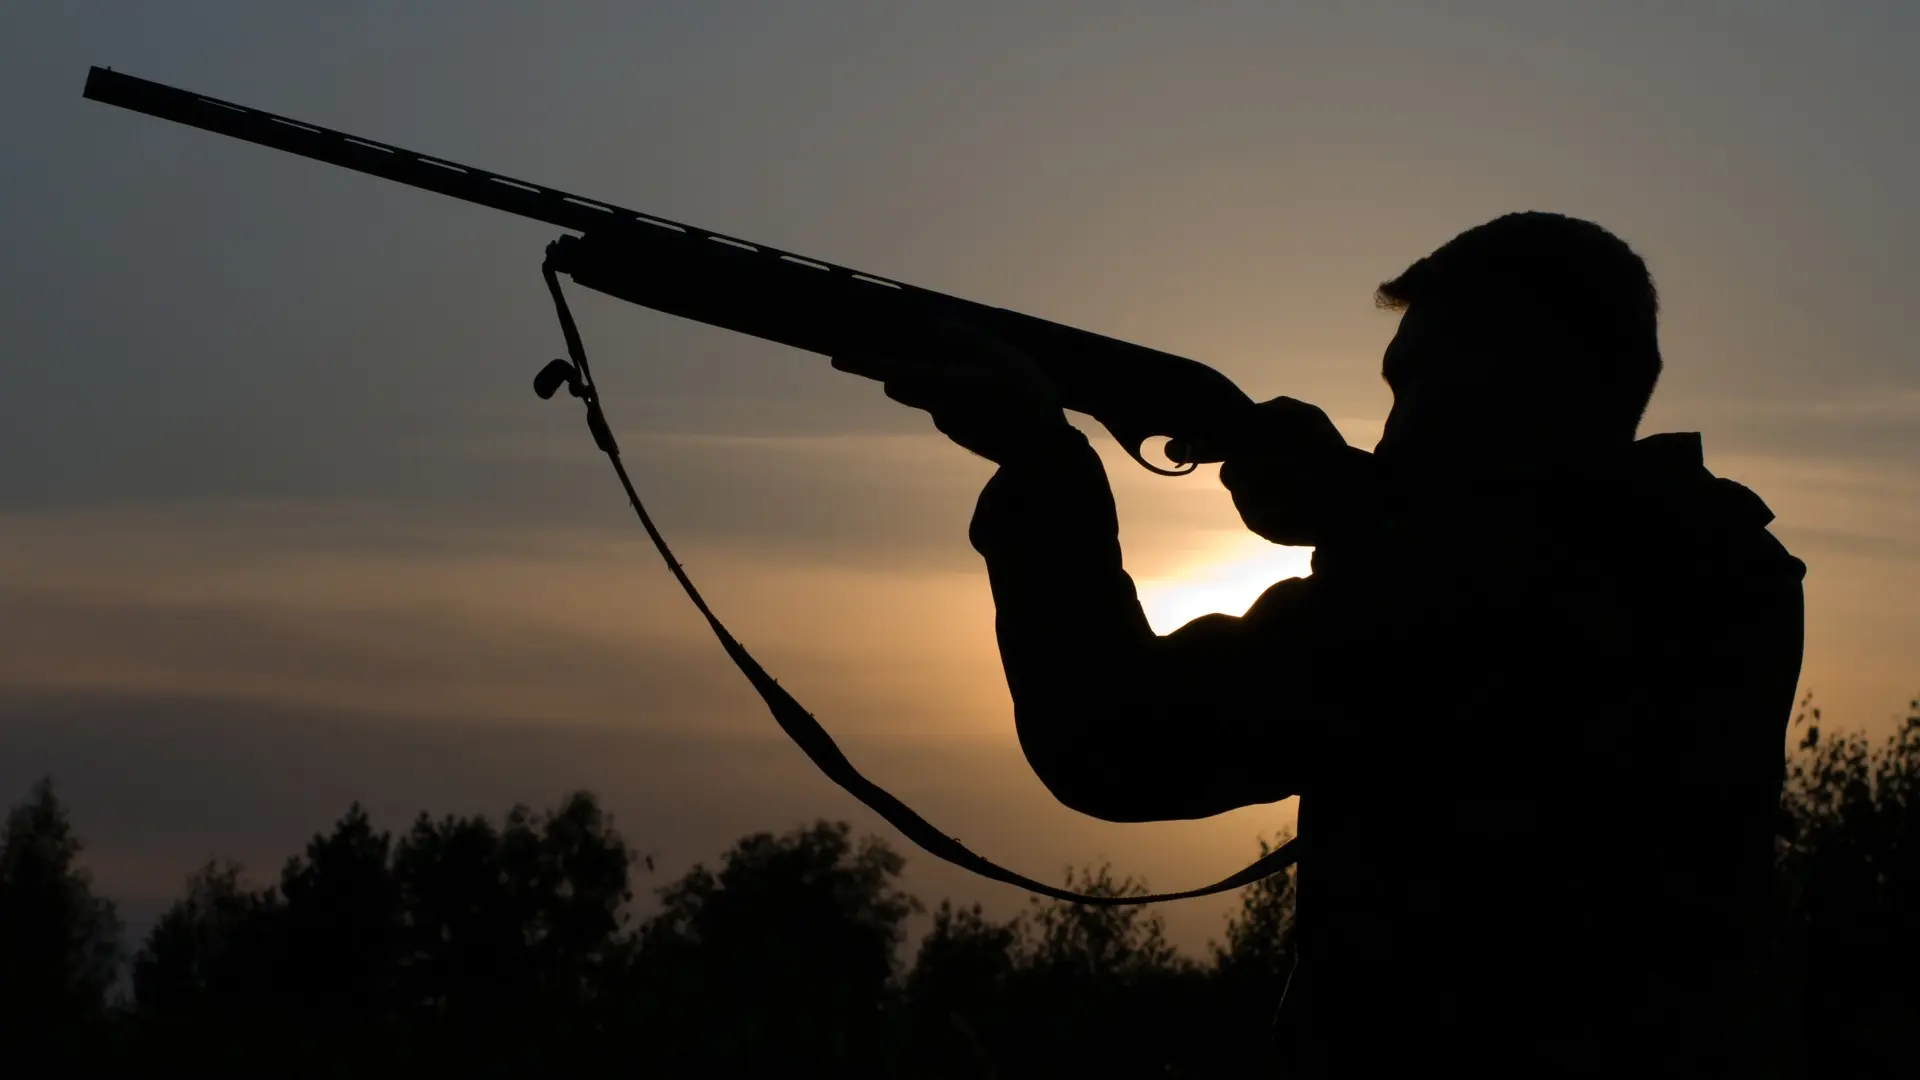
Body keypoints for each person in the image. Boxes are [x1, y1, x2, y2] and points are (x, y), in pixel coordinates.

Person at [834, 212, 1806, 1075]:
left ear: (1522, 378)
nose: (1391, 429)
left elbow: (1116, 742)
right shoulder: (1719, 562)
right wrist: (1354, 510)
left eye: (1416, 384)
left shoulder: (1493, 591)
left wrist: (1044, 464)